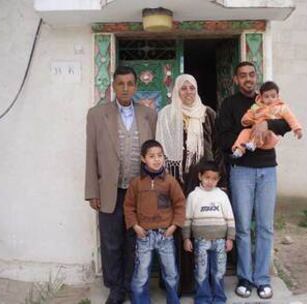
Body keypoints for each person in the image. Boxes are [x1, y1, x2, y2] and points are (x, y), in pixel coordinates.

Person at [216, 62, 291, 300]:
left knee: (266, 227)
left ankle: (262, 279)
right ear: (236, 80)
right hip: (242, 171)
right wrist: (248, 137)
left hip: (268, 170)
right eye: (243, 76)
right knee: (243, 228)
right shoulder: (229, 104)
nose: (248, 79)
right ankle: (245, 278)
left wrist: (266, 124)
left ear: (255, 77)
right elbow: (223, 137)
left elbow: (287, 124)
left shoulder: (270, 100)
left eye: (251, 74)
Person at [85, 66, 157, 304]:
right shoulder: (97, 115)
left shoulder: (148, 115)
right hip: (110, 189)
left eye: (129, 83)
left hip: (139, 191)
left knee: (135, 241)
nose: (125, 88)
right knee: (111, 241)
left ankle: (131, 285)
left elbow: (155, 154)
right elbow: (91, 154)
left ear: (136, 87)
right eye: (120, 84)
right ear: (113, 87)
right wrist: (92, 191)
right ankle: (115, 288)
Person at [156, 74, 222, 293]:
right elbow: (160, 152)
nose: (188, 93)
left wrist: (216, 179)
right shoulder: (166, 115)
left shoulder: (207, 114)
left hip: (201, 182)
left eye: (192, 88)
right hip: (175, 181)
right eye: (183, 89)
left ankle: (201, 283)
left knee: (199, 230)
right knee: (176, 229)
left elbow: (219, 149)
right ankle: (177, 282)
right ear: (176, 91)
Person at [123, 139, 185, 304]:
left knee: (171, 272)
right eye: (152, 156)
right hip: (144, 236)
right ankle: (140, 301)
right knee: (141, 273)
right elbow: (128, 207)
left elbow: (180, 204)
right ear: (143, 159)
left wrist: (174, 226)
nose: (157, 159)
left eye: (160, 155)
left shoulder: (170, 181)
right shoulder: (136, 183)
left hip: (165, 235)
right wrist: (135, 226)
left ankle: (173, 299)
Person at [182, 161, 235, 304]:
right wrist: (186, 238)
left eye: (214, 179)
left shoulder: (222, 196)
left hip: (220, 241)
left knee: (219, 271)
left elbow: (230, 217)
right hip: (201, 241)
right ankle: (203, 298)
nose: (210, 182)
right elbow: (187, 219)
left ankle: (219, 297)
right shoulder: (193, 196)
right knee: (201, 271)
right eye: (207, 177)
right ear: (200, 176)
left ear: (218, 179)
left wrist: (230, 238)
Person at [232, 81, 303, 158]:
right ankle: (239, 150)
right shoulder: (256, 106)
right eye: (266, 96)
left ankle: (253, 143)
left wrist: (297, 129)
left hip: (270, 135)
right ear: (261, 97)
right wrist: (247, 120)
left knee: (264, 132)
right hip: (255, 131)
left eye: (273, 96)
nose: (270, 99)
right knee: (245, 132)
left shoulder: (281, 107)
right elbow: (249, 113)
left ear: (278, 96)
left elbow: (291, 118)